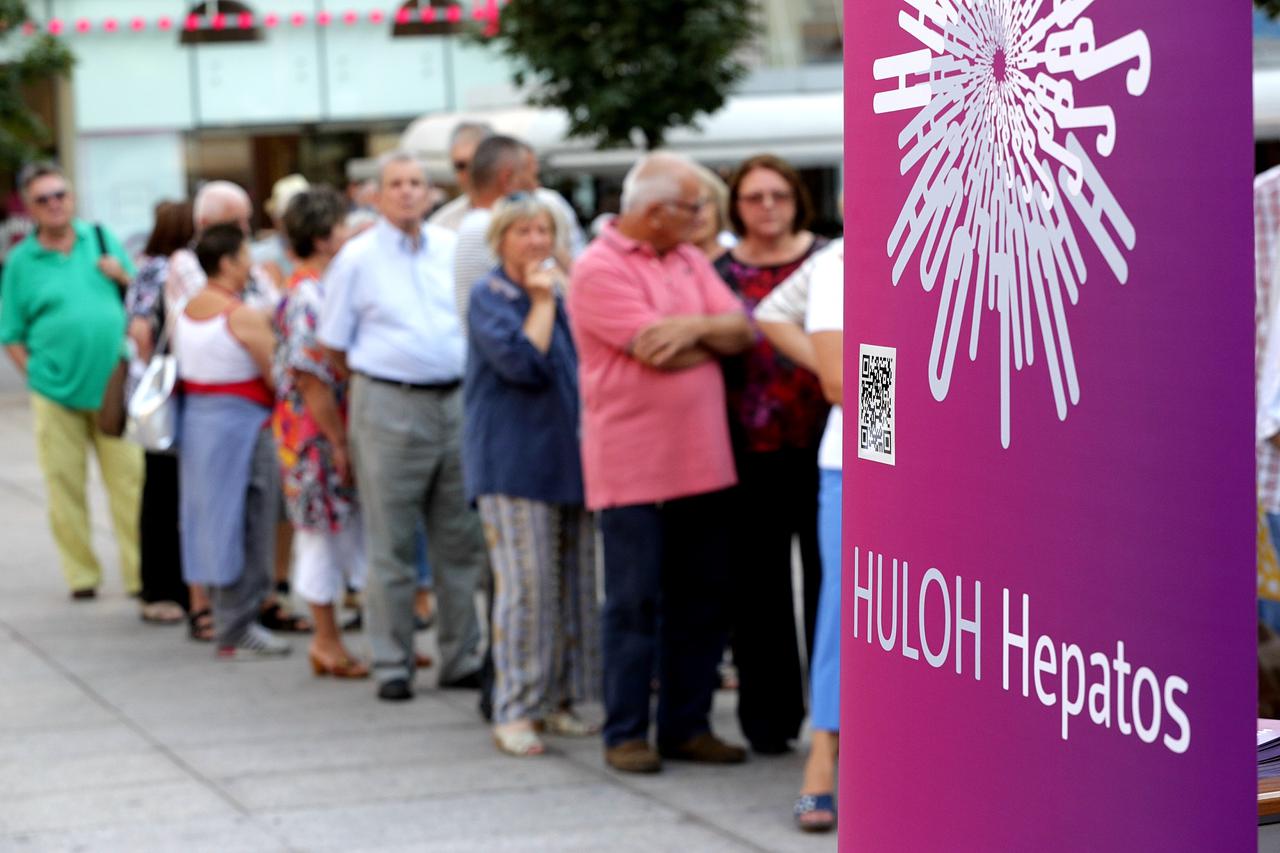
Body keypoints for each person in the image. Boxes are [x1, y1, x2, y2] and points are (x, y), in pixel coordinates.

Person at [568, 151, 754, 774]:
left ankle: (686, 725)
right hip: (632, 470)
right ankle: (625, 731)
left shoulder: (689, 258)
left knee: (702, 599)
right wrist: (708, 336)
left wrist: (695, 330)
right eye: (693, 207)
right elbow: (656, 351)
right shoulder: (597, 268)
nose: (702, 217)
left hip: (703, 464)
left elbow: (742, 330)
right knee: (633, 604)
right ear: (654, 213)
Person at [319, 150, 486, 701]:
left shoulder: (450, 247)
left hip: (454, 401)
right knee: (390, 541)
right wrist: (384, 377)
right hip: (390, 403)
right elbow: (333, 345)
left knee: (459, 540)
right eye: (396, 184)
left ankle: (461, 656)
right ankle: (392, 661)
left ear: (431, 193)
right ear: (377, 195)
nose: (408, 192)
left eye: (417, 183)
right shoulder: (357, 258)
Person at [463, 195, 601, 756]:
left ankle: (558, 699)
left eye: (544, 230)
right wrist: (543, 302)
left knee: (572, 589)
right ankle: (515, 708)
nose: (537, 241)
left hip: (569, 461)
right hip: (512, 465)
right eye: (523, 231)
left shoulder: (564, 292)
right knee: (527, 590)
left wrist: (564, 293)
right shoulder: (490, 295)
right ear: (500, 240)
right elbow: (522, 364)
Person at [715, 153, 829, 756]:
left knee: (832, 585)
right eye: (754, 196)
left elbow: (873, 346)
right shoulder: (717, 272)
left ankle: (838, 720)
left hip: (827, 448)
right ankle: (769, 720)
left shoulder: (830, 261)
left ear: (797, 200)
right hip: (745, 450)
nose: (767, 207)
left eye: (779, 195)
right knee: (757, 590)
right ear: (736, 205)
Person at [167, 180, 307, 636]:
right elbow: (277, 375)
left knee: (210, 517)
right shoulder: (237, 312)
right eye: (244, 253)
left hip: (201, 423)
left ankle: (227, 615)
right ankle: (237, 623)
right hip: (242, 425)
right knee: (248, 520)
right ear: (227, 262)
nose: (252, 262)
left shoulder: (191, 307)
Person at [0, 162, 142, 601]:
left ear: (72, 197)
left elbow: (139, 297)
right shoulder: (21, 261)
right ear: (30, 207)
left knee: (130, 484)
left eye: (60, 194)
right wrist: (34, 375)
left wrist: (121, 275)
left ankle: (140, 575)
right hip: (55, 392)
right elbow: (10, 332)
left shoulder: (100, 239)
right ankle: (82, 575)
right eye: (43, 199)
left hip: (113, 385)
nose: (54, 204)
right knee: (64, 486)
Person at [755, 238, 844, 832]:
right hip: (866, 454)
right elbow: (844, 384)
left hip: (955, 458)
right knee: (844, 607)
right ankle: (823, 756)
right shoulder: (843, 261)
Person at [271, 186, 369, 679]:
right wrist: (337, 441)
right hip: (316, 431)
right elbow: (312, 379)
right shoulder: (309, 295)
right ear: (325, 237)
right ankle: (326, 640)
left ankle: (341, 639)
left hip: (319, 426)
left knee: (342, 530)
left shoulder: (317, 287)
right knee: (321, 534)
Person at [124, 199, 198, 626]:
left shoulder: (146, 266)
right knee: (165, 491)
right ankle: (162, 587)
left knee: (162, 489)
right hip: (169, 395)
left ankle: (165, 585)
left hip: (162, 393)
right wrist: (161, 368)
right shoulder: (164, 269)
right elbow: (140, 330)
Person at [429, 121, 586, 261]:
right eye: (460, 166)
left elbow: (577, 266)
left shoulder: (551, 205)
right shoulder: (443, 224)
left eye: (478, 162)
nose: (472, 172)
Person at [452, 134, 541, 325]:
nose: (536, 186)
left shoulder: (479, 223)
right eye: (530, 175)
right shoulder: (485, 226)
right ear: (507, 179)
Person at [252, 173, 310, 291]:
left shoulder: (326, 250)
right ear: (276, 219)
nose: (297, 224)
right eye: (289, 218)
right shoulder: (258, 255)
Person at [690, 164, 732, 262]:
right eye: (685, 205)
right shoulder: (662, 265)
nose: (695, 213)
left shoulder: (741, 262)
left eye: (701, 203)